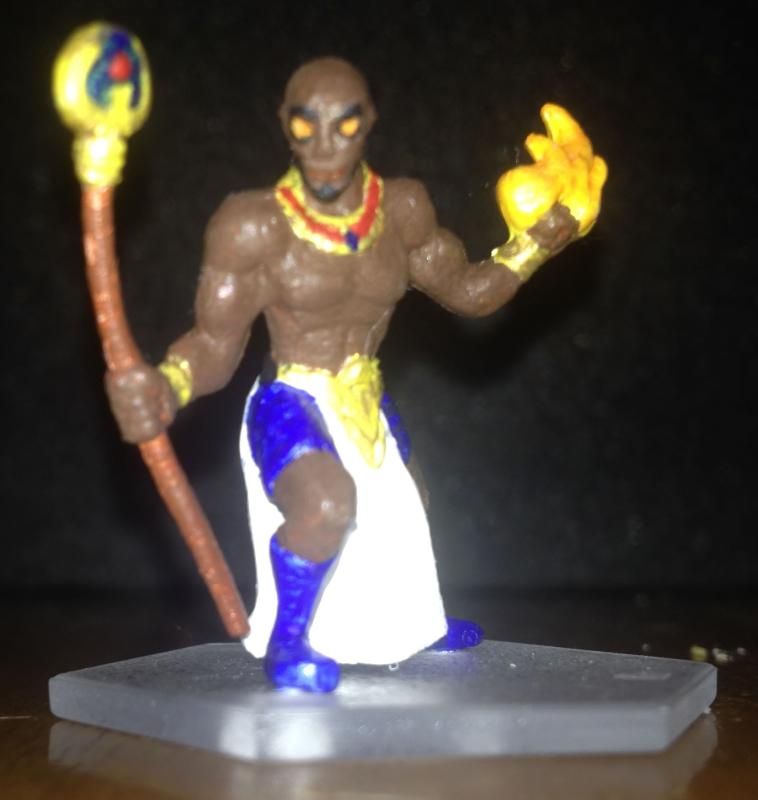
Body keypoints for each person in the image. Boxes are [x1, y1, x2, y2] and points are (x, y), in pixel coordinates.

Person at [106, 57, 606, 692]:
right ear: (284, 125)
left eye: (343, 126)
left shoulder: (402, 211)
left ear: (368, 122)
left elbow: (471, 292)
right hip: (290, 394)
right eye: (305, 125)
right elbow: (214, 344)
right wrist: (166, 386)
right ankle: (290, 641)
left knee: (408, 500)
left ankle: (412, 623)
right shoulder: (253, 227)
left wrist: (537, 243)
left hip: (363, 390)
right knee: (325, 505)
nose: (324, 146)